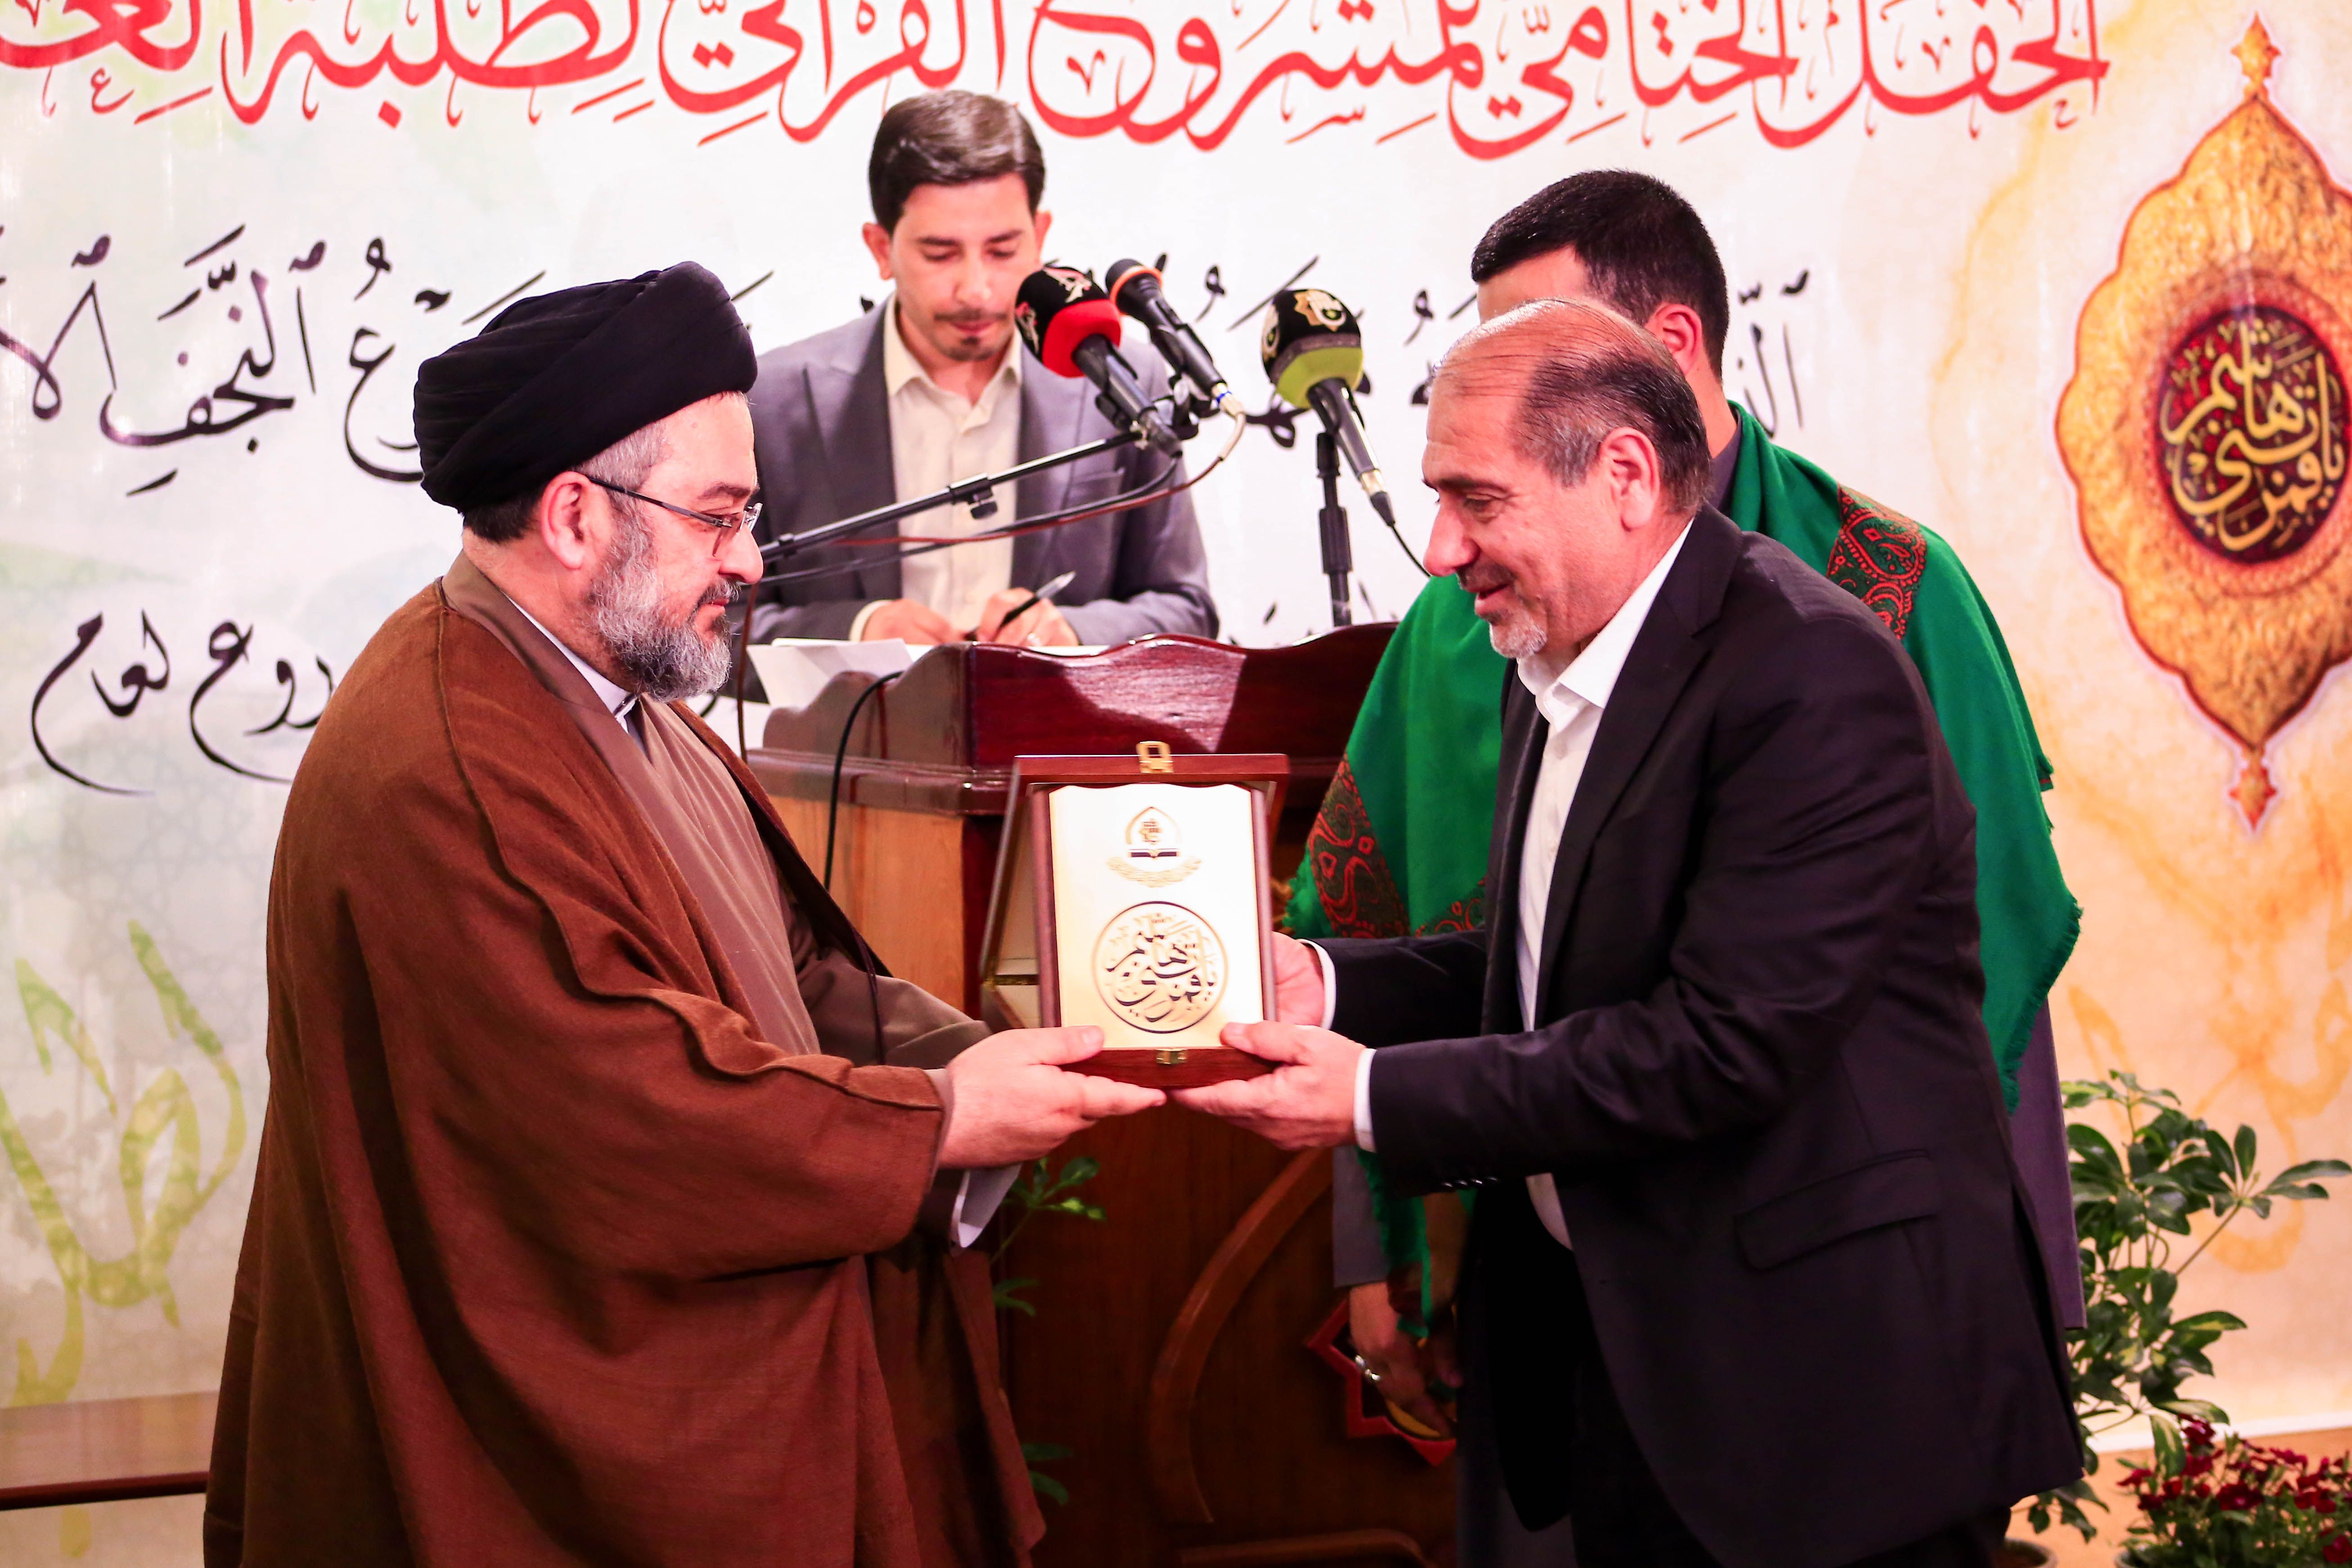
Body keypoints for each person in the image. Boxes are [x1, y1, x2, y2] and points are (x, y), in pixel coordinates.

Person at [202, 262, 1162, 1568]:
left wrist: (1008, 1051)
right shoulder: (449, 759)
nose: (749, 559)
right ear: (575, 516)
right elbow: (625, 1109)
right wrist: (941, 1118)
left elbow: (795, 974)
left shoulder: (607, 694)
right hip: (529, 1452)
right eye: (717, 518)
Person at [1184, 300, 2081, 1568]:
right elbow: (1546, 962)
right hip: (1639, 1360)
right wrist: (1323, 984)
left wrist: (1371, 1096)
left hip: (1830, 1396)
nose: (1440, 549)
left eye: (1475, 499)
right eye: (1440, 499)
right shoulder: (1554, 653)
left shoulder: (1811, 674)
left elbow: (1718, 1044)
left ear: (1622, 475)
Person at [744, 90, 1216, 651]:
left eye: (1002, 251)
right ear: (881, 248)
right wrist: (857, 630)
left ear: (1040, 237)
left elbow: (1187, 608)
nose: (976, 289)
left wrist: (1073, 634)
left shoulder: (1125, 381)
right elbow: (714, 622)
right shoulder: (777, 399)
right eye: (940, 254)